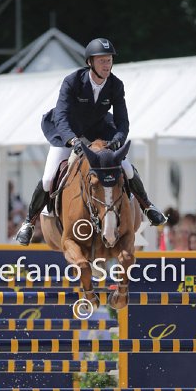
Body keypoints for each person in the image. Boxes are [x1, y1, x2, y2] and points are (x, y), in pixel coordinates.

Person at [15, 37, 166, 245]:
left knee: (127, 168)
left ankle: (147, 207)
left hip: (99, 133)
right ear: (90, 62)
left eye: (109, 60)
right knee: (49, 178)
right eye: (102, 61)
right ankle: (29, 223)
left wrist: (117, 140)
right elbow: (61, 116)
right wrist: (72, 140)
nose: (107, 65)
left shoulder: (115, 85)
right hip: (67, 132)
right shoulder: (73, 81)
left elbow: (122, 121)